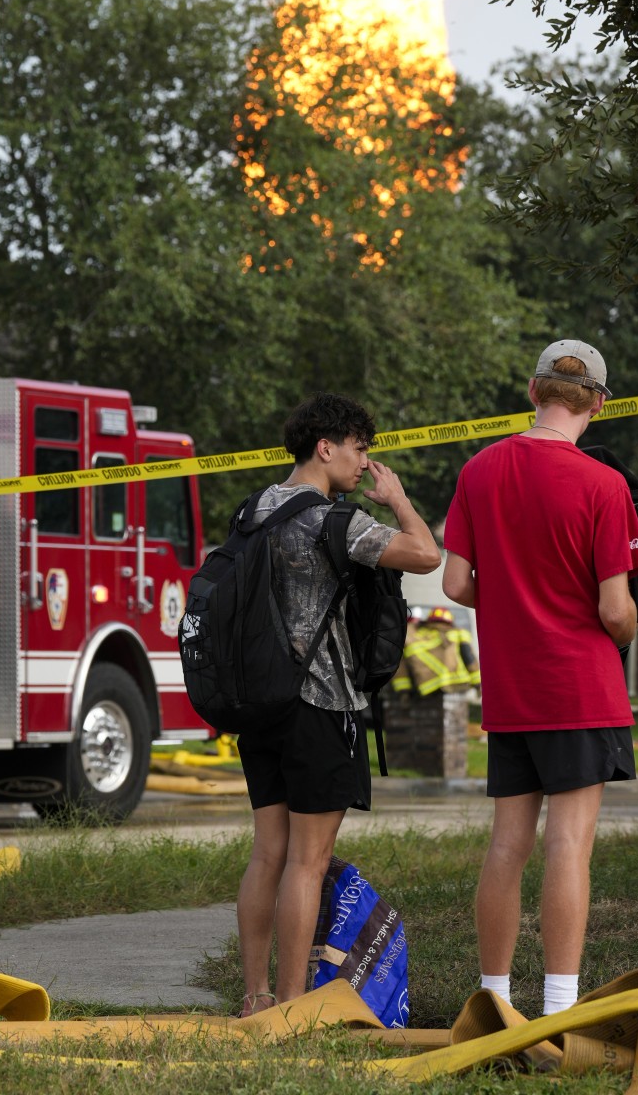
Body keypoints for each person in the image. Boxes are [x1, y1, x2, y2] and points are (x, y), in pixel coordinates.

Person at [442, 339, 638, 1017]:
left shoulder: (479, 469)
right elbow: (614, 609)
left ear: (533, 393)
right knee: (568, 844)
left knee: (508, 844)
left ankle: (492, 1000)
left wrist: (512, 599)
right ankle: (560, 1008)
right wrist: (624, 629)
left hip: (512, 688)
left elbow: (455, 581)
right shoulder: (603, 485)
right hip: (582, 688)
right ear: (599, 403)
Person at [235, 390, 440, 1017]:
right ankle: (291, 1007)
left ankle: (255, 996)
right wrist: (399, 500)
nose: (363, 463)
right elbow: (427, 554)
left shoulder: (253, 510)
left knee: (267, 852)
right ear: (326, 447)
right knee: (308, 860)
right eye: (358, 450)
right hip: (319, 706)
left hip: (258, 705)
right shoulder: (336, 521)